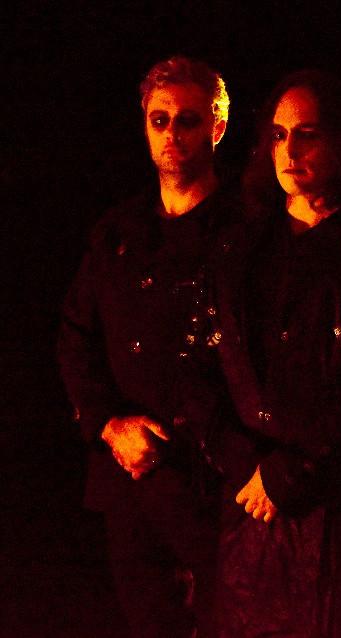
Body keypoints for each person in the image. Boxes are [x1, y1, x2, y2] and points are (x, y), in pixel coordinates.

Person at [208, 70, 341, 637]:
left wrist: (294, 471)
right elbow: (203, 362)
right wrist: (244, 463)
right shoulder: (242, 244)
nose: (290, 151)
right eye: (278, 135)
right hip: (249, 505)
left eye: (307, 134)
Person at [58, 55, 233, 638]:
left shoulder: (247, 230)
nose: (172, 134)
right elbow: (76, 336)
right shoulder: (119, 230)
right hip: (129, 482)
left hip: (214, 485)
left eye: (187, 120)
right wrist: (109, 424)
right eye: (160, 120)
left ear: (217, 127)